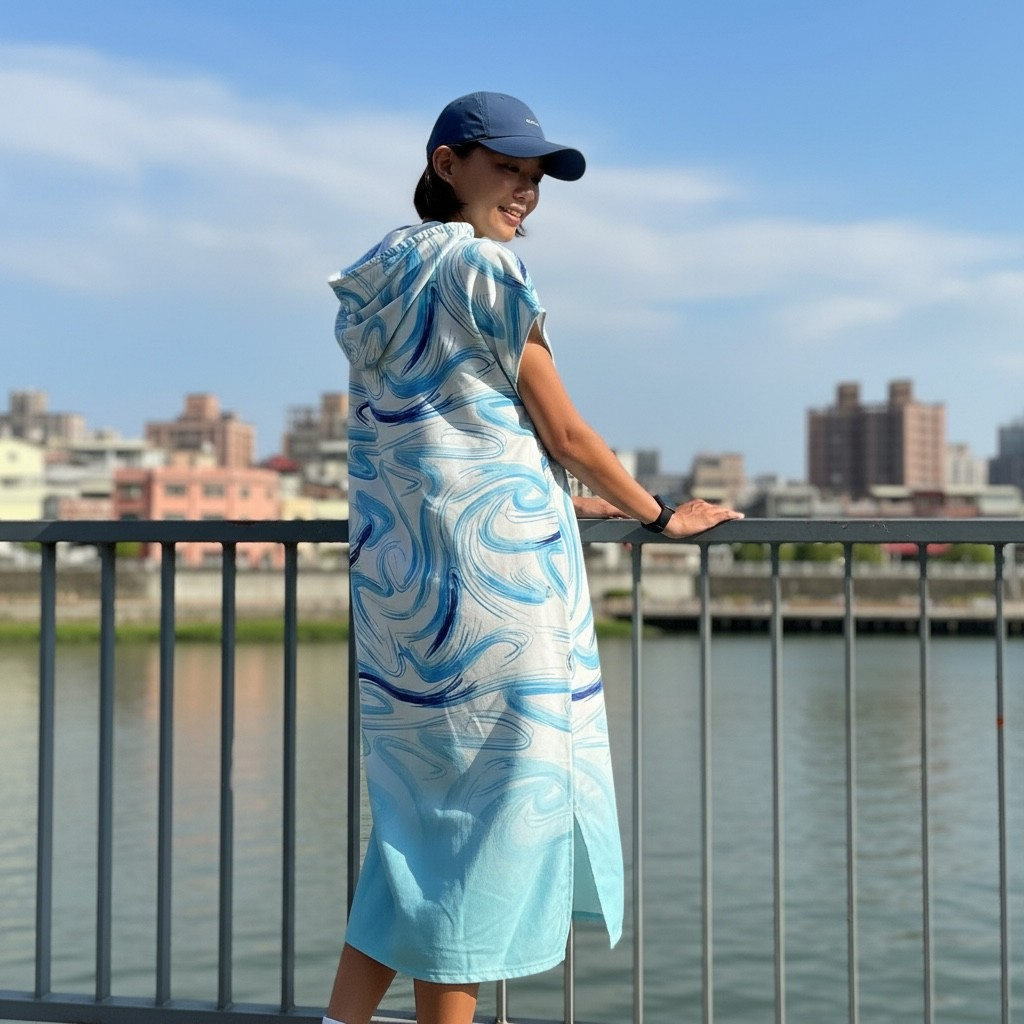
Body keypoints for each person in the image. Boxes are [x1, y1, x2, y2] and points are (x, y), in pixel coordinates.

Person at [323, 92, 743, 1024]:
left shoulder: (386, 275)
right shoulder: (483, 268)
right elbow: (565, 429)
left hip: (405, 603)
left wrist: (551, 495)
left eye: (535, 176)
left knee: (419, 833)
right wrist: (658, 512)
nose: (525, 191)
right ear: (447, 164)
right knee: (479, 843)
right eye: (507, 168)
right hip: (496, 605)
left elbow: (447, 425)